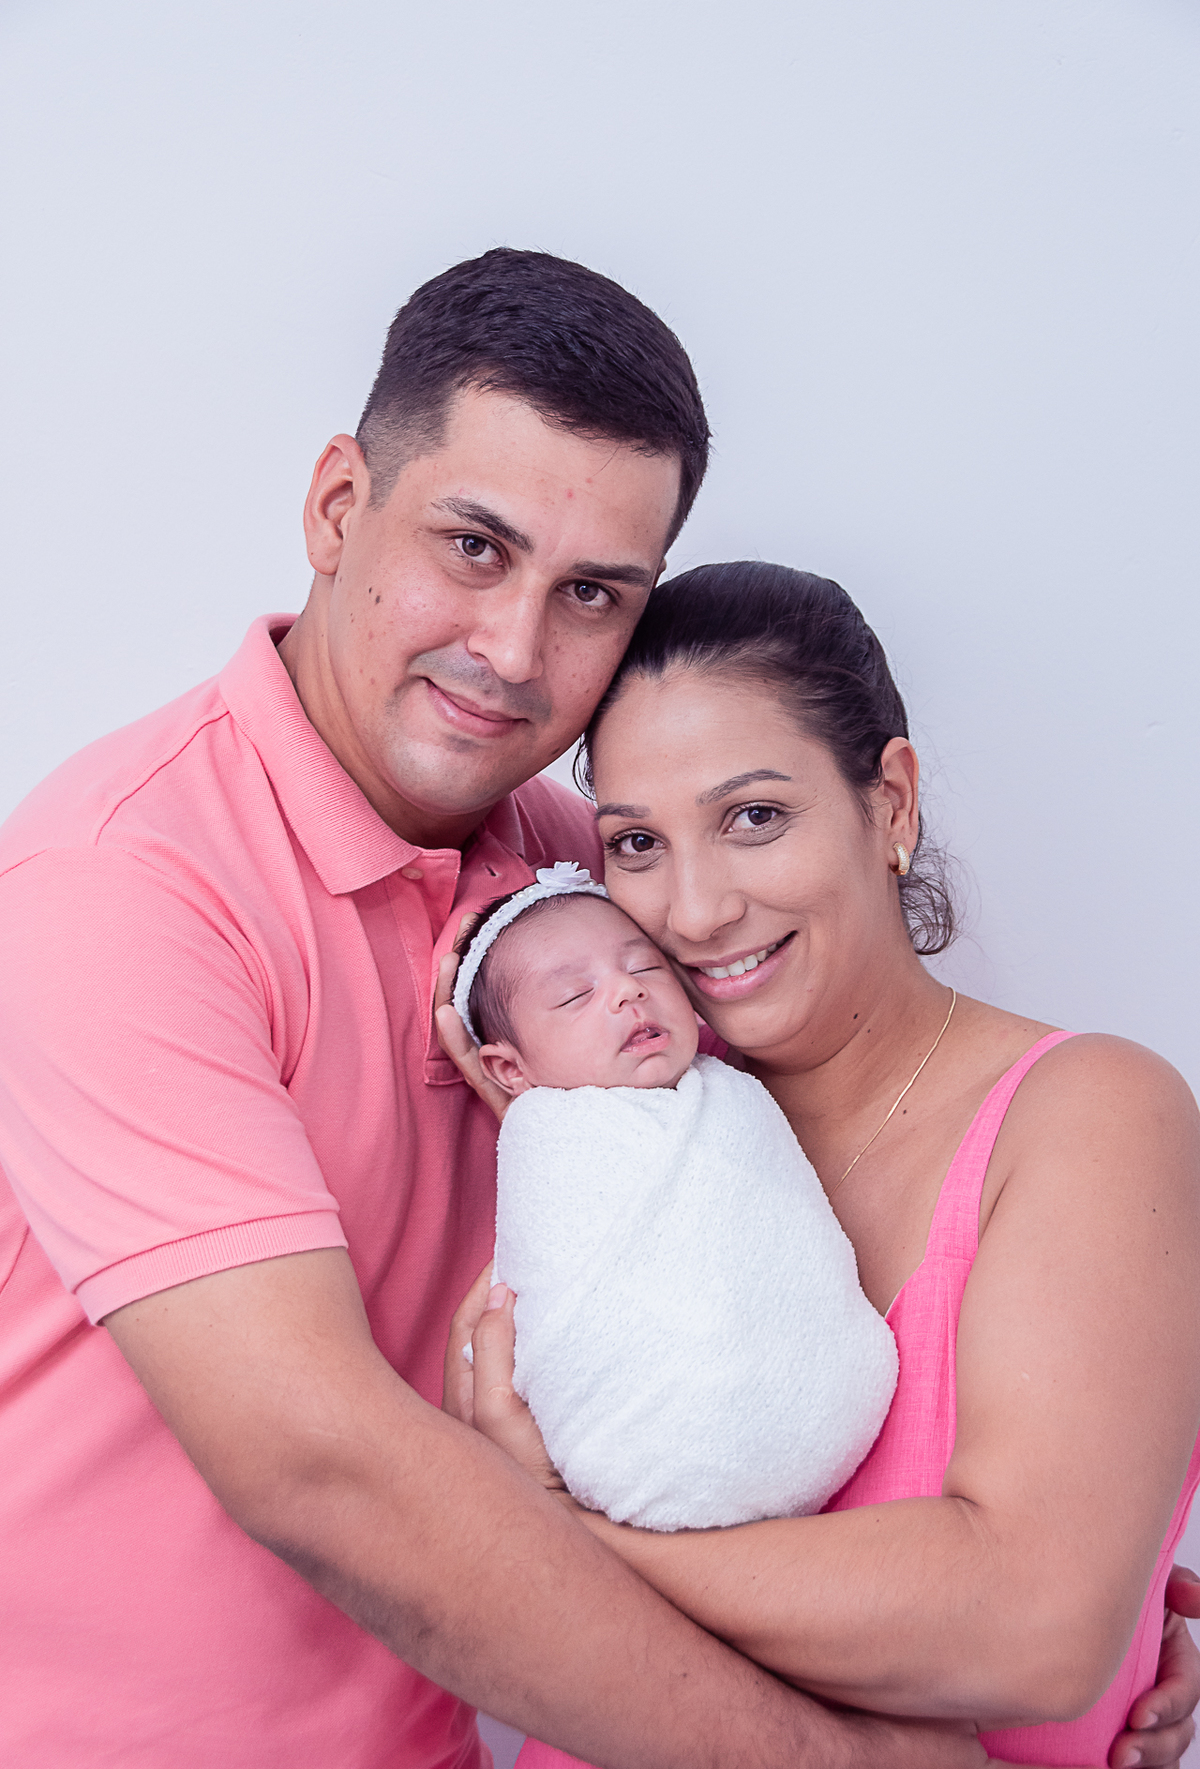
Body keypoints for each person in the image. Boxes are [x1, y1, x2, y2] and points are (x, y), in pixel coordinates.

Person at [0, 248, 1061, 1769]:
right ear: (337, 506)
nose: (512, 653)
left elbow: (795, 1219)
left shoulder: (587, 875)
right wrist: (850, 1760)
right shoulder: (121, 883)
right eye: (473, 546)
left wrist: (1024, 1614)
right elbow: (318, 1468)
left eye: (591, 595)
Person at [438, 561, 1200, 1769]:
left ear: (889, 803)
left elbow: (1035, 1631)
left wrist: (561, 1541)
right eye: (636, 841)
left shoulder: (1089, 1115)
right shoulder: (608, 1138)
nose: (693, 911)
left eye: (754, 817)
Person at [449, 864, 896, 1531]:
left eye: (646, 968)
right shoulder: (551, 1144)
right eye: (575, 995)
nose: (628, 991)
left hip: (827, 1400)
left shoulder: (733, 1094)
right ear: (510, 1069)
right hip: (651, 1443)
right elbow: (549, 1277)